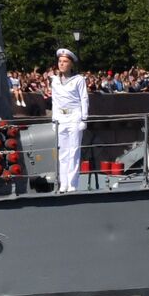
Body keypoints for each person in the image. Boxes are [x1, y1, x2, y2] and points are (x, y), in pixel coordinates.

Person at [49, 48, 88, 193]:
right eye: (60, 61)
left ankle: (73, 183)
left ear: (71, 64)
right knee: (62, 153)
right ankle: (63, 182)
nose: (61, 64)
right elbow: (55, 101)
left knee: (74, 151)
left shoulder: (78, 80)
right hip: (61, 118)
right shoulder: (55, 81)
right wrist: (54, 119)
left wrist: (84, 118)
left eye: (65, 61)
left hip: (74, 117)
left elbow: (84, 99)